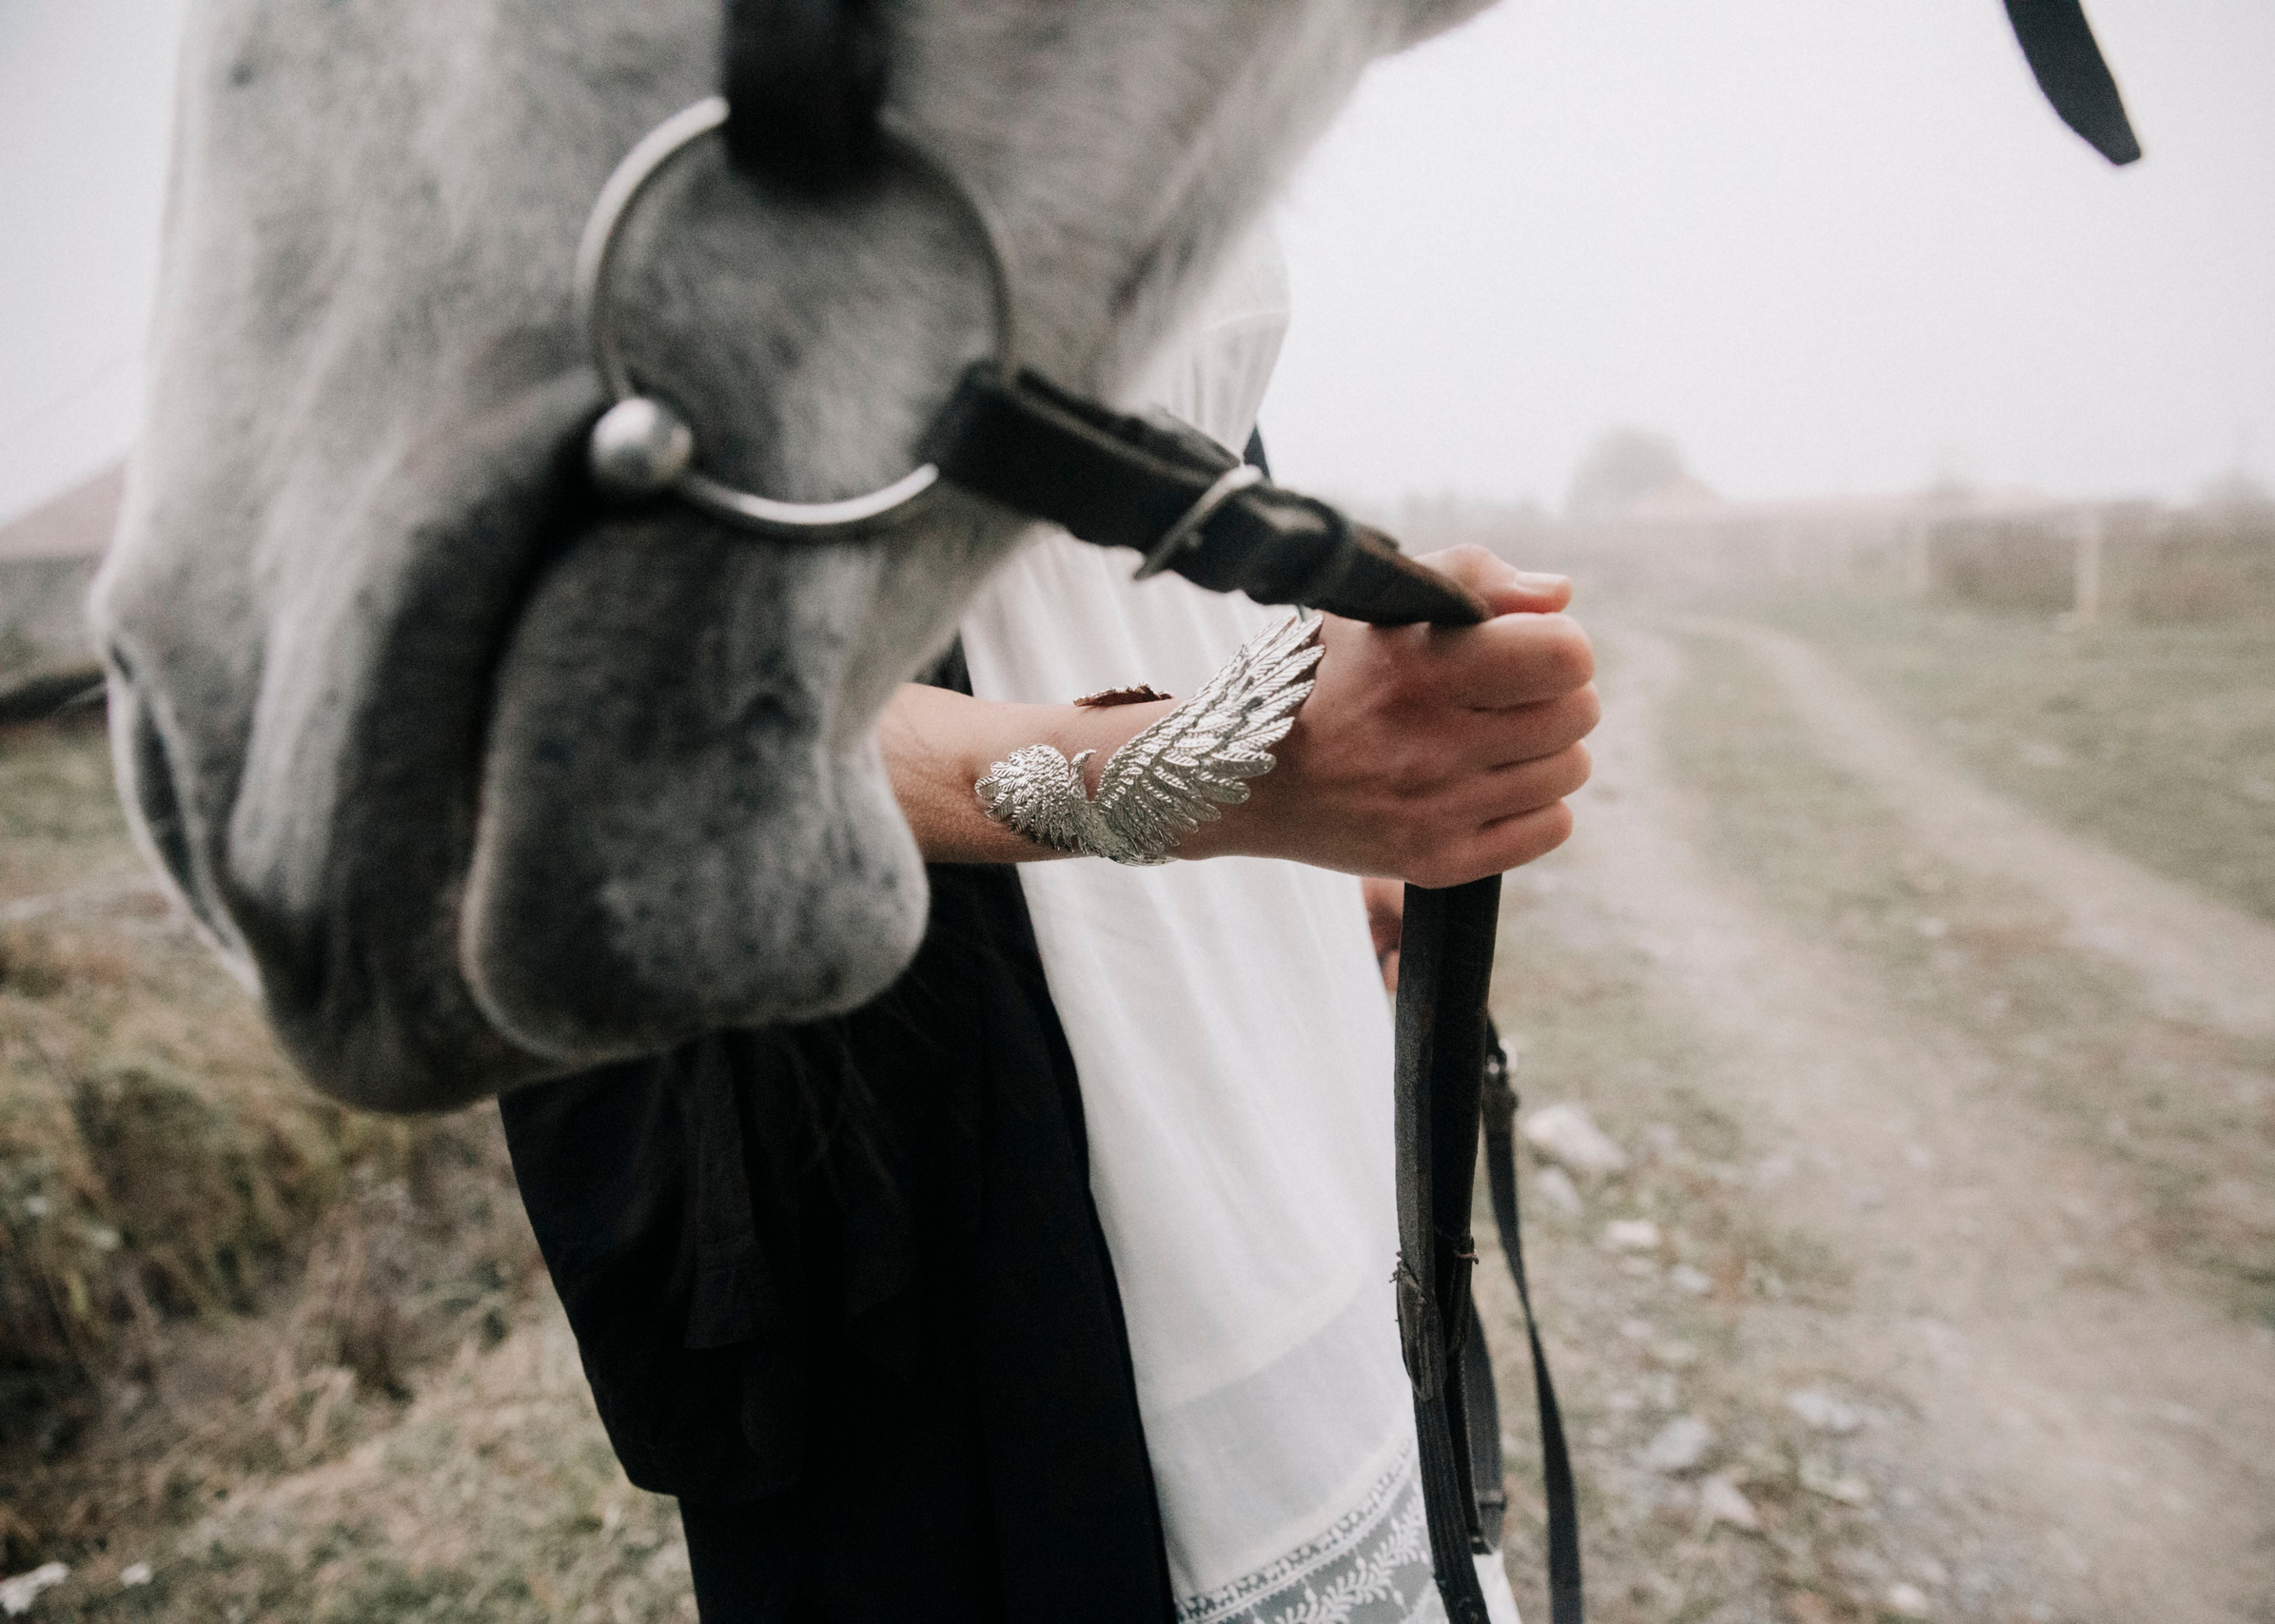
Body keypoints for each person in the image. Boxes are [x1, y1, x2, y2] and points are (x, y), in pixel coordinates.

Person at [500, 226, 1597, 1624]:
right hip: (971, 1041)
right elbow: (610, 703)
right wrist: (1230, 773)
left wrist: (1322, 868)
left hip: (1257, 971)